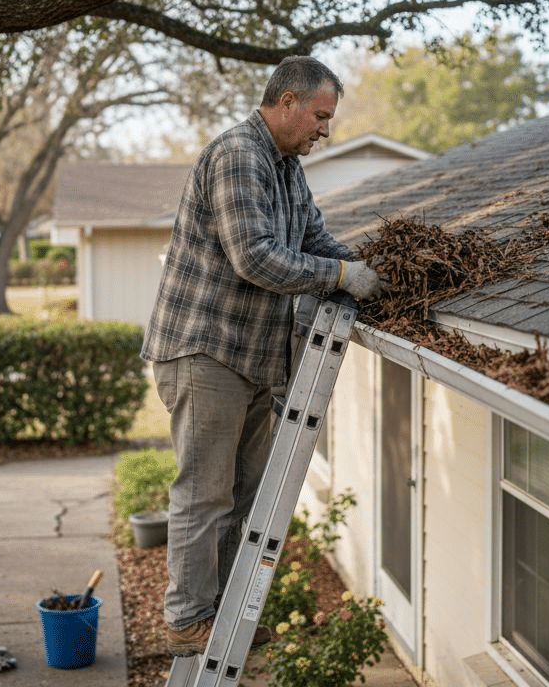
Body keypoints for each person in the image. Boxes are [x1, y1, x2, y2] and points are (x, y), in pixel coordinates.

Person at [141, 55, 384, 655]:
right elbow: (256, 258)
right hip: (206, 352)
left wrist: (373, 266)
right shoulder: (239, 156)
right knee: (204, 493)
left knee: (245, 493)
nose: (324, 130)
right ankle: (186, 619)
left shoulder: (286, 167)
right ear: (287, 102)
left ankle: (218, 611)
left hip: (253, 358)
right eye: (320, 116)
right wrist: (341, 275)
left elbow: (316, 242)